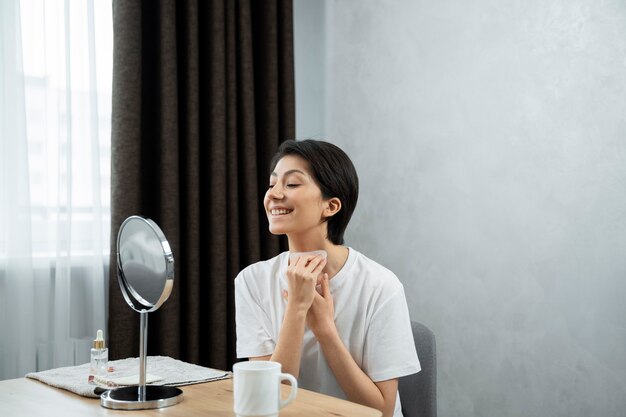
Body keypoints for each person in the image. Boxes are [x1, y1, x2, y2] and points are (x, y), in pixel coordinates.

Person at [234, 139, 420, 417]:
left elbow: (381, 410)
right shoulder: (252, 281)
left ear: (331, 206)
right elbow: (268, 401)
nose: (274, 194)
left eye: (292, 184)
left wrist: (325, 329)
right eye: (272, 184)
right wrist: (296, 308)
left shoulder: (381, 286)